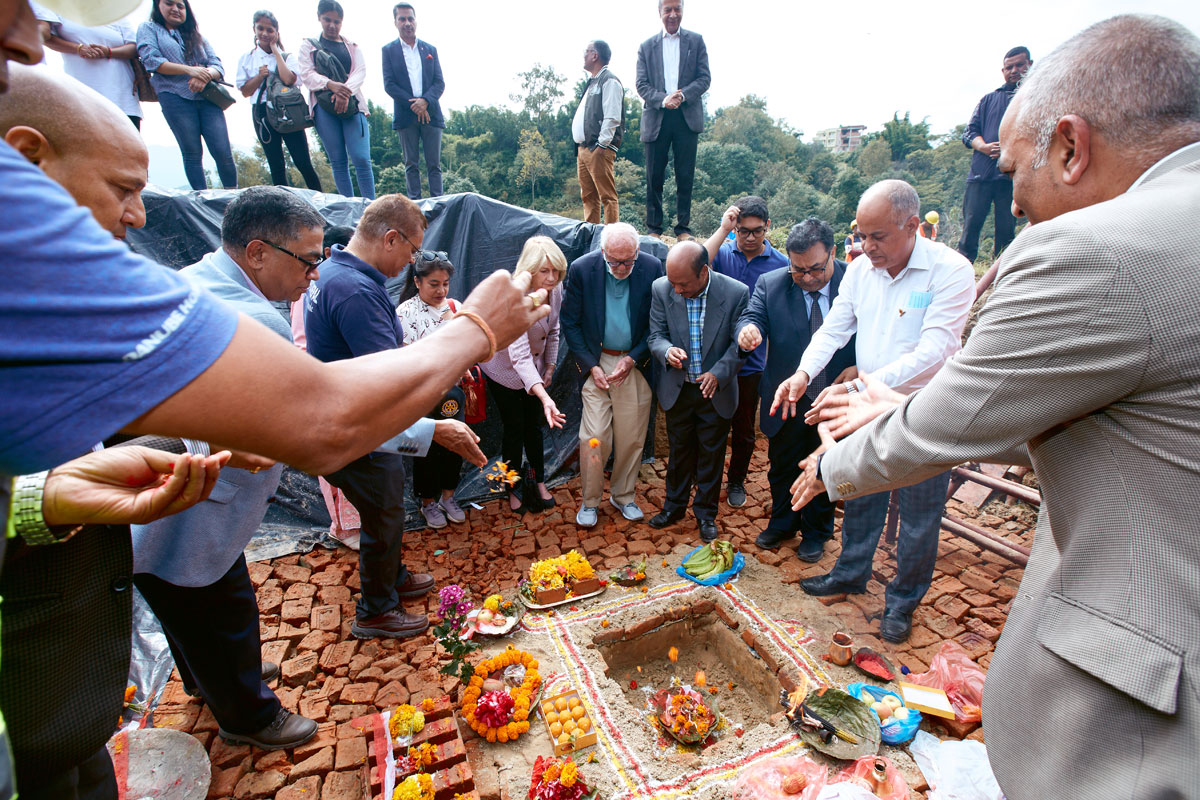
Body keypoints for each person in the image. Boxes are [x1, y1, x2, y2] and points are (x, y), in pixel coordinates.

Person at [0, 4, 548, 793]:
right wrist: (474, 334)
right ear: (25, 161)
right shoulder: (130, 290)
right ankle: (256, 704)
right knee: (236, 603)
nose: (140, 214)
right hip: (82, 658)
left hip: (82, 656)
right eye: (122, 186)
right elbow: (326, 415)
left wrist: (37, 497)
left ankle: (226, 694)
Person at [796, 16, 1200, 799]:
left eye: (1015, 170)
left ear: (1071, 148)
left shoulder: (1095, 251)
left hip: (1140, 719)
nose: (1010, 205)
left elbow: (952, 421)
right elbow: (1136, 430)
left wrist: (833, 461)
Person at [132, 187, 327, 753]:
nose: (314, 274)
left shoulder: (194, 277)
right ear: (259, 251)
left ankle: (206, 679)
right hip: (194, 507)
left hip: (167, 499)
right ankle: (248, 715)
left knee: (186, 607)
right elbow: (319, 414)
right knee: (222, 607)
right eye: (308, 259)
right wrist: (426, 430)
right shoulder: (251, 321)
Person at [773, 179, 974, 643]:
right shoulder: (862, 271)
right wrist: (804, 373)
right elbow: (834, 328)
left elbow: (936, 351)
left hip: (924, 409)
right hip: (866, 408)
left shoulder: (949, 270)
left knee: (921, 513)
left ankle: (903, 600)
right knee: (860, 490)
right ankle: (850, 571)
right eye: (861, 236)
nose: (865, 247)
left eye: (877, 236)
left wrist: (862, 384)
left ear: (912, 226)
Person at [304, 194, 485, 638]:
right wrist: (433, 429)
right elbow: (385, 387)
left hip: (351, 417)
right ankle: (377, 609)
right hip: (363, 427)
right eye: (411, 251)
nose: (411, 262)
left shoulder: (333, 272)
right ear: (390, 238)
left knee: (380, 510)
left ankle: (391, 575)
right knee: (384, 508)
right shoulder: (358, 293)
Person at [734, 218, 854, 561]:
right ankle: (782, 522)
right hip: (786, 395)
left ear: (833, 252)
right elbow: (751, 315)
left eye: (816, 268)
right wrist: (748, 331)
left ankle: (817, 532)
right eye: (798, 269)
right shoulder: (771, 284)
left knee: (827, 464)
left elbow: (877, 330)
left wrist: (862, 367)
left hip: (837, 394)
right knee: (783, 463)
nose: (808, 277)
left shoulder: (856, 281)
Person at [561, 222, 662, 528]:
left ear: (638, 251)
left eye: (628, 260)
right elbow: (570, 322)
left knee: (632, 437)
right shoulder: (582, 269)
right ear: (602, 251)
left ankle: (623, 495)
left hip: (634, 363)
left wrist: (634, 357)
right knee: (593, 437)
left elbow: (656, 324)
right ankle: (590, 501)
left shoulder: (652, 267)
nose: (621, 267)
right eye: (614, 261)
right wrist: (591, 365)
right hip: (597, 361)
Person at [647, 241, 747, 541]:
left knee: (711, 454)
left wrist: (718, 374)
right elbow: (655, 335)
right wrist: (666, 352)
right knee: (679, 452)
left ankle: (705, 514)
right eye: (672, 283)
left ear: (704, 271)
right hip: (678, 388)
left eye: (683, 284)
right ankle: (674, 507)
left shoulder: (735, 292)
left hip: (715, 390)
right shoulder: (661, 289)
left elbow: (740, 346)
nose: (676, 290)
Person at [701, 195, 788, 507]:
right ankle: (705, 481)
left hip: (752, 363)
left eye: (757, 231)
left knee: (743, 429)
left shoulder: (781, 264)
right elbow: (699, 261)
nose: (750, 237)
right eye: (743, 231)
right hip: (715, 357)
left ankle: (736, 480)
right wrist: (724, 229)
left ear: (767, 228)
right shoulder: (724, 254)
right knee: (711, 426)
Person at [480, 236, 568, 513]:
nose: (552, 278)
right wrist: (544, 395)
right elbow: (517, 355)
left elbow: (553, 331)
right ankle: (511, 487)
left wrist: (551, 367)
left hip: (536, 370)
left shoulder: (555, 289)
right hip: (503, 371)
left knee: (534, 428)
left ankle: (538, 481)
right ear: (530, 269)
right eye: (545, 271)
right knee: (513, 430)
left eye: (556, 271)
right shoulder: (515, 297)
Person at [396, 251, 468, 528]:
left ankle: (449, 496)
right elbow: (405, 360)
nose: (441, 290)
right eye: (434, 284)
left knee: (456, 444)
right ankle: (427, 502)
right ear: (417, 281)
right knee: (425, 448)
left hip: (453, 392)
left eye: (445, 283)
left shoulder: (455, 307)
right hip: (422, 395)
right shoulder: (405, 313)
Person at [136, 0, 237, 190]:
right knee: (192, 152)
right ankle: (202, 203)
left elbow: (217, 65)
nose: (175, 9)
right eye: (169, 3)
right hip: (174, 97)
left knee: (223, 152)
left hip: (208, 98)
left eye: (180, 6)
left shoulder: (196, 36)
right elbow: (152, 61)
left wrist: (205, 75)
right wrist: (191, 71)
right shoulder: (149, 29)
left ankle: (234, 199)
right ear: (158, 6)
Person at [635, 0, 709, 240]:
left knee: (685, 175)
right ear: (660, 12)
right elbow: (641, 84)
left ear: (683, 11)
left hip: (686, 116)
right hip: (657, 116)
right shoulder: (646, 47)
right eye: (668, 9)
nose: (673, 14)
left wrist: (682, 95)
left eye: (677, 9)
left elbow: (704, 78)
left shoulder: (696, 41)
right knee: (654, 175)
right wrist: (664, 99)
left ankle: (683, 228)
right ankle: (654, 228)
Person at [957, 46, 1032, 264]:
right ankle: (962, 269)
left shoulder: (1034, 99)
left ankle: (1000, 274)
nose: (1014, 70)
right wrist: (984, 147)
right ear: (1003, 71)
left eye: (1020, 65)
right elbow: (969, 132)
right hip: (980, 174)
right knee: (970, 226)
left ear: (1030, 65)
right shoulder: (989, 99)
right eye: (1010, 67)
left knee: (1006, 230)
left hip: (1011, 177)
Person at [236, 10, 321, 191]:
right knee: (275, 163)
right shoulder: (247, 58)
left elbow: (290, 79)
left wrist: (275, 51)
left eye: (270, 30)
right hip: (262, 112)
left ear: (276, 32)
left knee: (303, 161)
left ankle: (320, 199)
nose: (265, 34)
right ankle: (283, 209)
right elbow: (245, 91)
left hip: (287, 110)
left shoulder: (287, 57)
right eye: (261, 29)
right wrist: (260, 77)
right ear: (254, 29)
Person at [298, 0, 374, 199]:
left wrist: (344, 92)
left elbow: (360, 71)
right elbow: (306, 74)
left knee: (362, 159)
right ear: (319, 18)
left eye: (336, 21)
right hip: (324, 107)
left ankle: (372, 207)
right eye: (327, 20)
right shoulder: (309, 46)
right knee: (338, 161)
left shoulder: (352, 47)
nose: (332, 25)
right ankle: (347, 206)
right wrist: (331, 85)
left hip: (352, 105)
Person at [31, 1, 140, 128]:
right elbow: (47, 38)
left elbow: (134, 47)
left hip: (122, 97)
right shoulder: (59, 9)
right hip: (82, 97)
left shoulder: (114, 14)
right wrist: (78, 48)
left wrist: (108, 52)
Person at [381, 2, 443, 200]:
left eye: (410, 18)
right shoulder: (388, 51)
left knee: (434, 164)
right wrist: (414, 105)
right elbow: (389, 84)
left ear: (416, 20)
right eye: (402, 19)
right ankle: (414, 205)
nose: (407, 23)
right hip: (406, 115)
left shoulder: (429, 49)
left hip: (431, 113)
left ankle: (438, 202)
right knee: (411, 164)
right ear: (395, 22)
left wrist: (425, 101)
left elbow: (439, 82)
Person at [572, 39, 623, 224]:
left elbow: (612, 115)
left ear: (595, 55)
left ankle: (612, 238)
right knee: (588, 197)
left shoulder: (609, 80)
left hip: (597, 148)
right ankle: (590, 237)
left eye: (586, 51)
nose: (583, 56)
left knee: (607, 196)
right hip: (583, 149)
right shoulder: (592, 82)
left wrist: (602, 145)